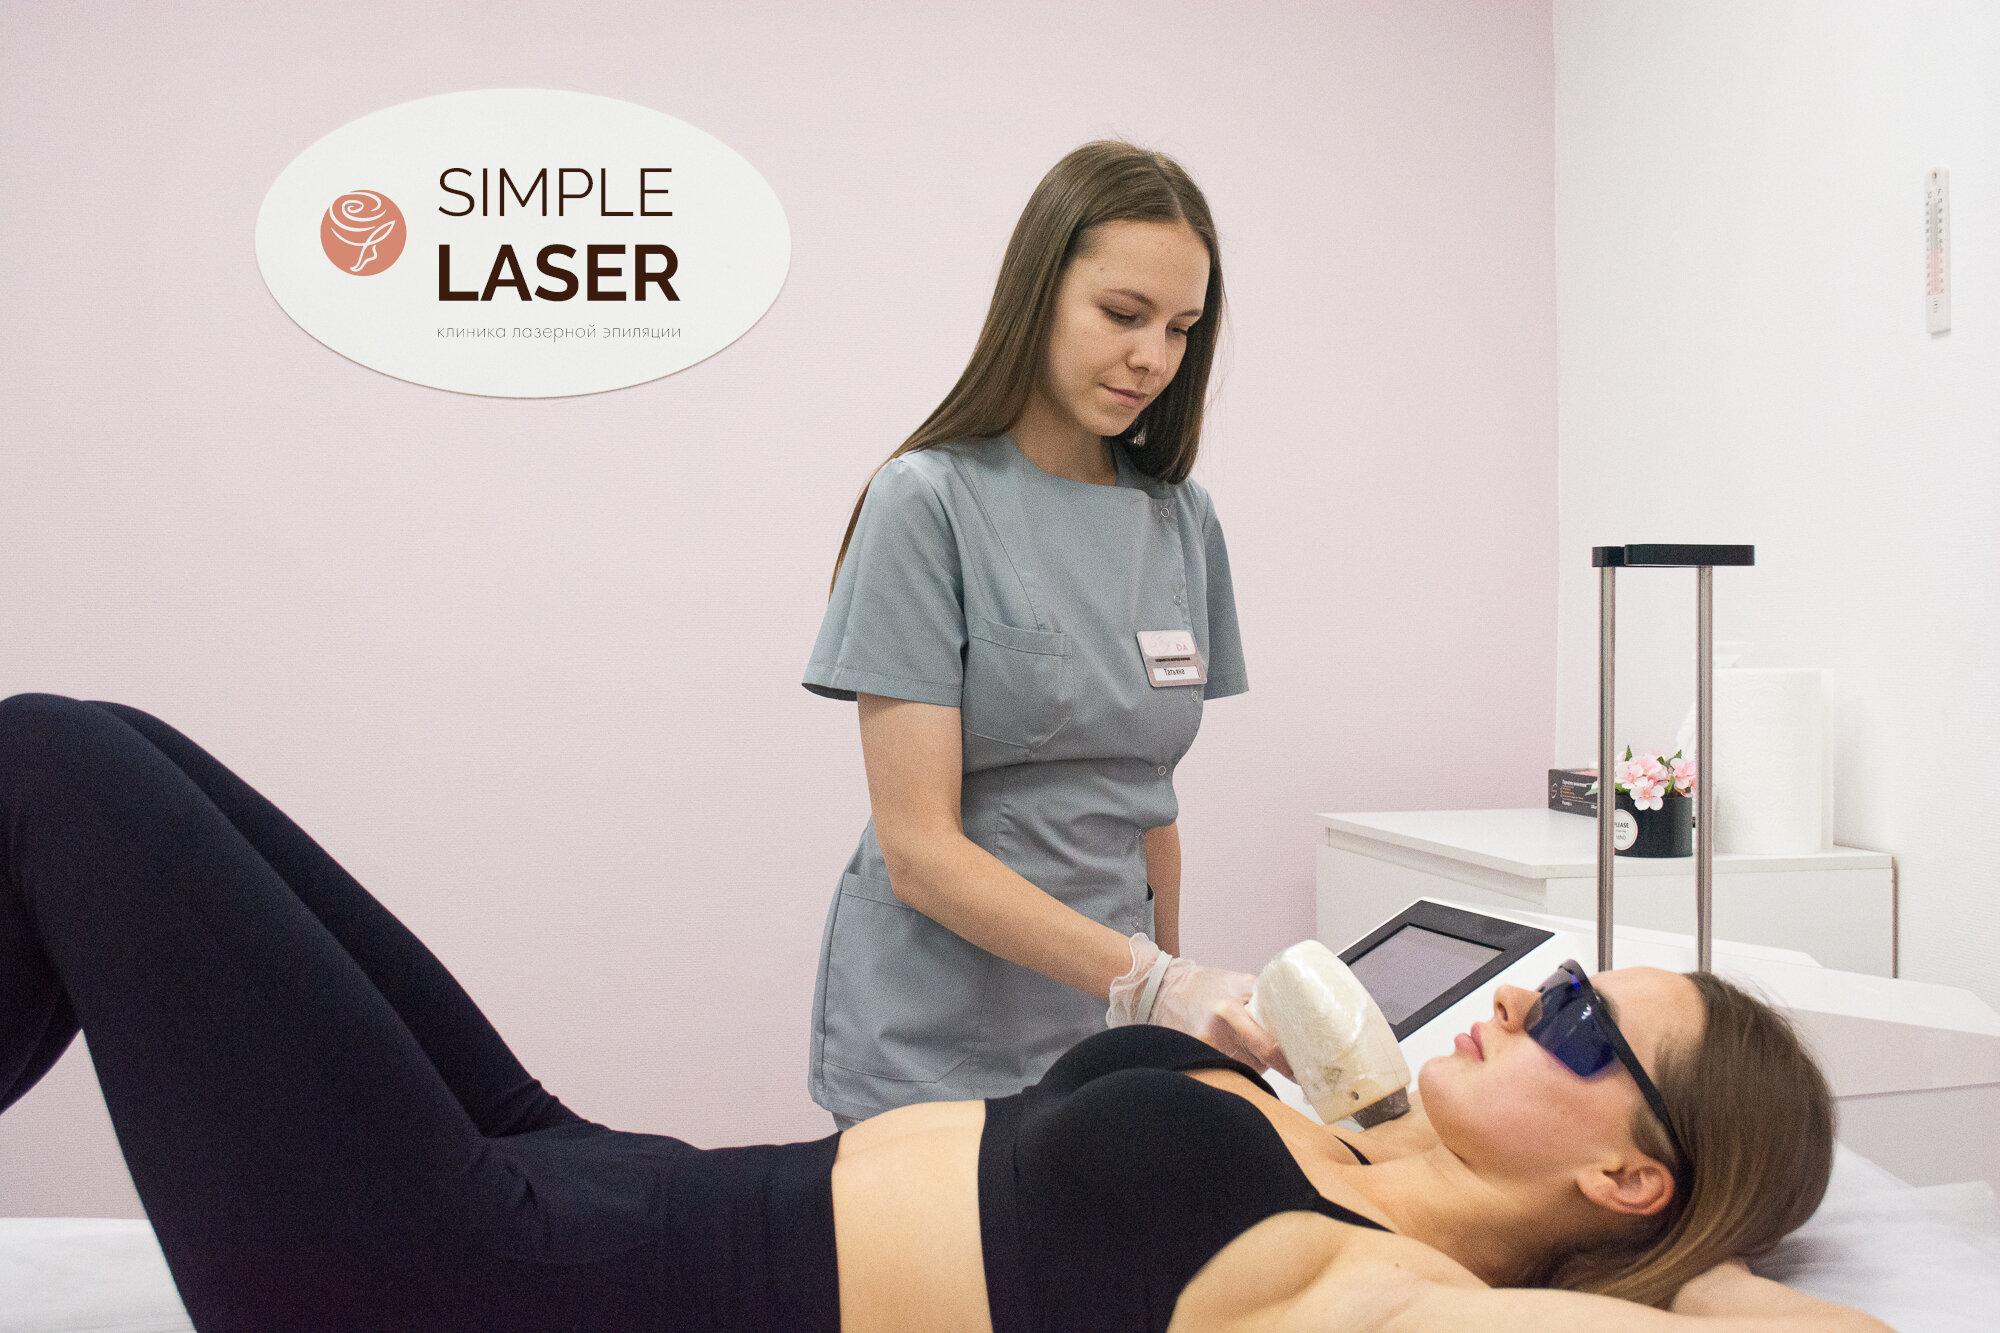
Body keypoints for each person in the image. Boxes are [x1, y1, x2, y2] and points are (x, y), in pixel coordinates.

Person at [1, 693, 1890, 1331]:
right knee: (121, 758)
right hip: (574, 1172)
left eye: (1584, 1034)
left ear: (1636, 1178)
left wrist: (1712, 1257)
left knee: (54, 763)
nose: (1525, 1006)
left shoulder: (1380, 1294)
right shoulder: (1365, 1133)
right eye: (1558, 982)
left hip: (471, 1281)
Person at [801, 139, 1287, 1131]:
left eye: (1180, 328)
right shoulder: (926, 503)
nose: (1153, 358)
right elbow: (918, 850)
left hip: (1101, 1019)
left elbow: (1147, 802)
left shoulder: (1180, 519)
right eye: (1122, 314)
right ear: (1038, 295)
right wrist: (1156, 983)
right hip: (935, 1037)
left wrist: (1169, 1008)